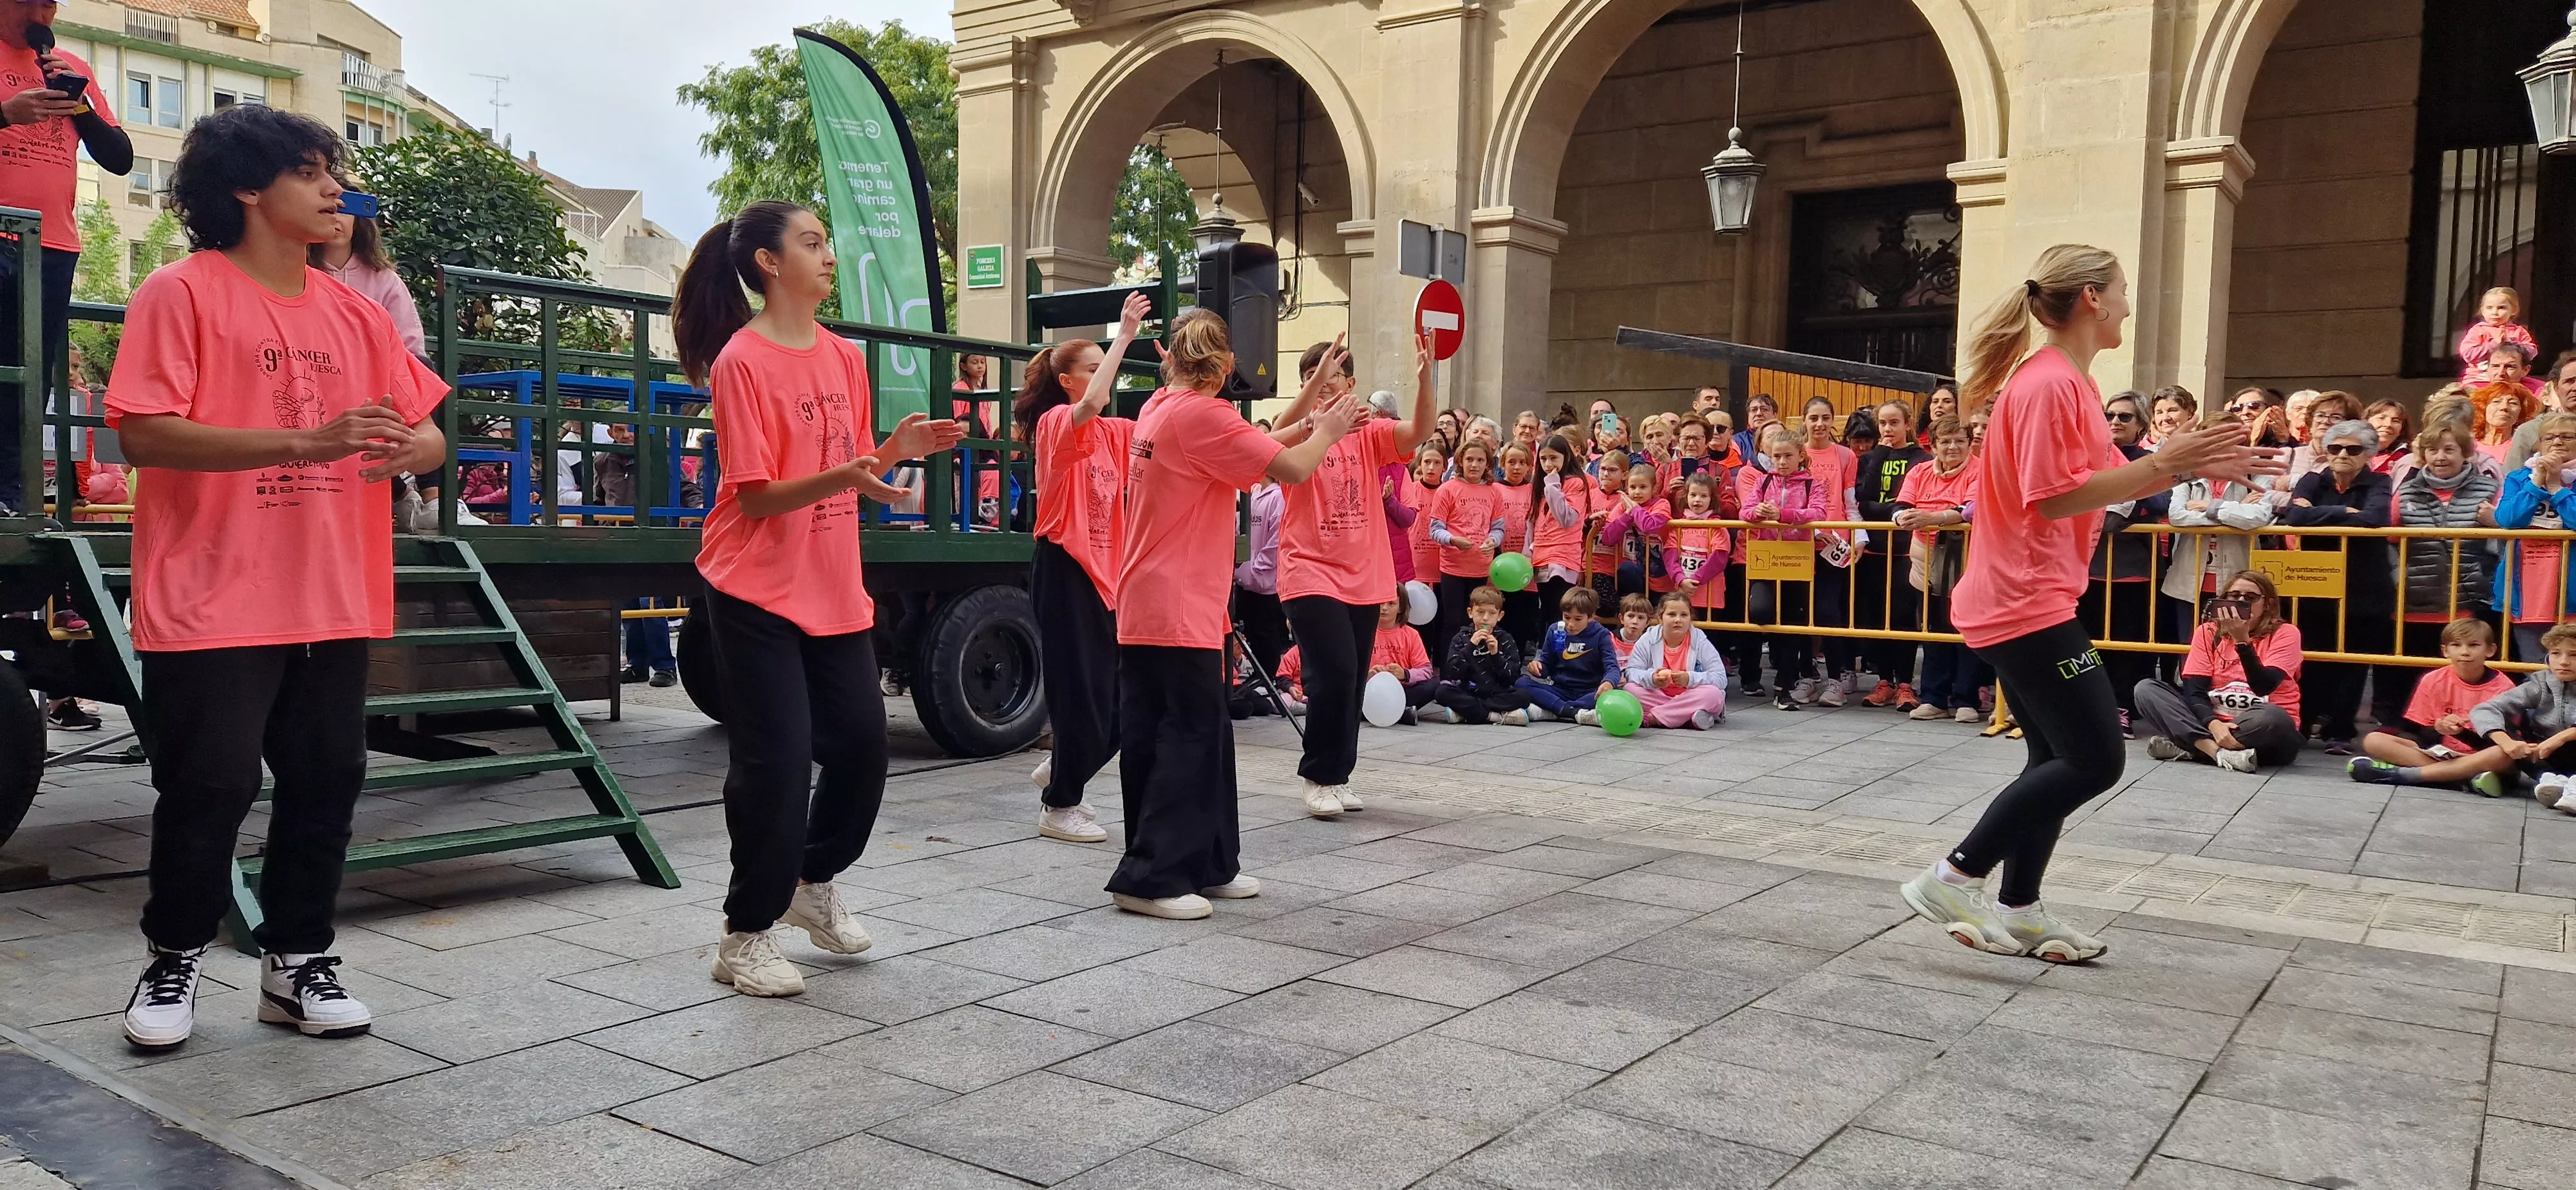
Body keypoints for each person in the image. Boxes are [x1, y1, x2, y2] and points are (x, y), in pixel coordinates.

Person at [108, 106, 446, 1049]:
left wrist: (414, 445)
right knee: (208, 784)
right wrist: (310, 439)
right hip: (214, 589)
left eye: (332, 168)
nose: (334, 187)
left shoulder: (355, 309)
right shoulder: (181, 292)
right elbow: (142, 432)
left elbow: (430, 432)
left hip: (331, 585)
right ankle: (173, 958)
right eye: (310, 170)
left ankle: (297, 964)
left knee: (326, 779)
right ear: (248, 189)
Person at [1900, 244, 2272, 966]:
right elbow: (2049, 497)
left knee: (2053, 756)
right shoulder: (2048, 385)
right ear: (2094, 301)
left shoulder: (2062, 382)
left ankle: (2021, 907)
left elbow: (2102, 482)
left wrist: (2179, 463)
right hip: (2023, 600)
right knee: (2097, 759)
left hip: (2031, 594)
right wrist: (2164, 462)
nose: (2130, 304)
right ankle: (1953, 876)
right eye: (2124, 291)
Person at [674, 201, 960, 995]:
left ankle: (808, 883)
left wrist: (892, 462)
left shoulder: (841, 357)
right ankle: (745, 935)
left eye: (826, 242)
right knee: (775, 764)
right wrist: (851, 475)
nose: (828, 255)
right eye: (812, 242)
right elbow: (759, 497)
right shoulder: (743, 360)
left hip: (832, 585)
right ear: (768, 263)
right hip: (754, 585)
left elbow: (850, 465)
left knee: (863, 750)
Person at [1112, 308, 1356, 920]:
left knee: (1202, 736)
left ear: (1172, 357)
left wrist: (1309, 401)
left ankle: (1211, 863)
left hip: (1160, 598)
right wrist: (1331, 426)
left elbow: (1259, 446)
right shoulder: (1204, 415)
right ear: (1223, 368)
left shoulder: (1162, 408)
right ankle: (1151, 877)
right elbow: (1292, 465)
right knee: (1185, 736)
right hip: (1177, 602)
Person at [1268, 331, 1432, 818]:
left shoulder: (1370, 433)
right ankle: (1317, 774)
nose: (1321, 389)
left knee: (1354, 678)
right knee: (1334, 671)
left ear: (1352, 385)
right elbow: (1272, 436)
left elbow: (1419, 430)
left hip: (1364, 573)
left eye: (1331, 380)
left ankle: (1338, 776)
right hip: (1309, 570)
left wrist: (1427, 380)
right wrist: (1316, 412)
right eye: (1312, 380)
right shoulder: (1301, 431)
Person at [1021, 292, 1151, 845]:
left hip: (1108, 577)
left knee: (1120, 703)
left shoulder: (1115, 435)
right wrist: (1124, 336)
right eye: (1094, 369)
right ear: (1069, 381)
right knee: (1082, 697)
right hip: (1066, 569)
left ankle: (1064, 769)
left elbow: (1159, 433)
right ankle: (1060, 805)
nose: (1105, 377)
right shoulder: (1056, 423)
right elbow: (1094, 405)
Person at [0, 5, 131, 515]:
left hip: (53, 245)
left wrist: (81, 107)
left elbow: (119, 158)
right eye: (27, 0)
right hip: (4, 230)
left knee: (28, 379)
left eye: (49, 3)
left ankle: (12, 497)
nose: (39, 12)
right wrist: (8, 114)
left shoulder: (70, 65)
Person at [2280, 419, 2394, 753]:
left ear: (2369, 454)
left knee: (2352, 660)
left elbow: (2375, 517)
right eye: (2335, 448)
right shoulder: (2313, 479)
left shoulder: (2379, 481)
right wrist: (2345, 510)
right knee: (2310, 656)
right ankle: (2303, 724)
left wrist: (2318, 512)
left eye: (2353, 449)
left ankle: (2340, 731)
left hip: (2364, 586)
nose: (2343, 454)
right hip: (2315, 583)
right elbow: (2293, 517)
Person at [2135, 570, 2304, 773]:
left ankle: (2194, 747)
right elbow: (2194, 691)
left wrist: (2242, 641)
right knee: (2146, 689)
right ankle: (2218, 753)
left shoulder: (2286, 633)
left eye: (2250, 598)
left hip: (2259, 726)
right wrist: (2213, 724)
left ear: (2267, 605)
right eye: (2234, 596)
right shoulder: (2208, 632)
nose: (2241, 602)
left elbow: (2264, 686)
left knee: (2273, 718)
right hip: (2214, 723)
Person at [2078, 390, 2170, 732]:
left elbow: (2163, 498)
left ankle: (2122, 707)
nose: (2114, 422)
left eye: (2124, 417)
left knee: (2129, 645)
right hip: (2087, 570)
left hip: (2134, 574)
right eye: (2109, 416)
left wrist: (2131, 506)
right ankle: (2089, 707)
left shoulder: (2147, 459)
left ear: (2142, 425)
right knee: (2087, 645)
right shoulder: (2088, 459)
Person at [2348, 618, 2519, 793]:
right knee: (2374, 740)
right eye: (2456, 645)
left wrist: (2461, 733)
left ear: (2490, 650)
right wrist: (2439, 727)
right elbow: (2421, 731)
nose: (2465, 652)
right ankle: (2459, 778)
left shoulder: (2504, 687)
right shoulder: (2432, 679)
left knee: (2502, 755)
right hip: (2443, 754)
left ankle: (2404, 775)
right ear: (2445, 651)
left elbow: (2507, 740)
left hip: (2483, 754)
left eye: (2474, 645)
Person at [1897, 415, 1984, 723]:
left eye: (1960, 440)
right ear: (1933, 446)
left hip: (1967, 559)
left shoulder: (1980, 470)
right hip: (1925, 561)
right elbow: (1902, 506)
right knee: (1932, 630)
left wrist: (1934, 518)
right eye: (1945, 441)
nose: (1953, 447)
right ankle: (1933, 697)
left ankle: (1966, 699)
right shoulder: (1919, 471)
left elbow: (1969, 511)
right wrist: (1902, 519)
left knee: (1967, 631)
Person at [1739, 426, 1828, 708]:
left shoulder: (1813, 484)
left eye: (1788, 456)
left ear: (1801, 456)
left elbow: (1818, 513)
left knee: (1793, 623)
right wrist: (1759, 513)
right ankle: (1775, 665)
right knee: (1761, 611)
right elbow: (1745, 511)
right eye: (1776, 456)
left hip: (1797, 560)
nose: (1782, 462)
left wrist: (1784, 515)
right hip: (1767, 559)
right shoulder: (1764, 483)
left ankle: (1784, 686)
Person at [1857, 400, 1930, 708]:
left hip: (1905, 551)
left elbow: (1914, 503)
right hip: (1876, 549)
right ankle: (1883, 679)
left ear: (1908, 424)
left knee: (1903, 616)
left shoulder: (1921, 459)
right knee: (1878, 615)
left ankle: (1905, 682)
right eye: (1883, 424)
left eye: (1894, 423)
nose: (1888, 429)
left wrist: (1888, 511)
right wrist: (1881, 455)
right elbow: (1864, 501)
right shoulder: (1871, 458)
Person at [2494, 411, 2576, 665]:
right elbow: (2508, 519)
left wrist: (2556, 489)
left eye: (2567, 437)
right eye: (2549, 437)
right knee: (2535, 668)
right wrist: (2537, 482)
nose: (2557, 442)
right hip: (2527, 585)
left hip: (2571, 584)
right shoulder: (2519, 478)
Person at [309, 202, 423, 361]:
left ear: (357, 221)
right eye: (327, 210)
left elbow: (411, 352)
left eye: (342, 210)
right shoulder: (293, 273)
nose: (335, 218)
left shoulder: (385, 281)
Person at [1421, 585, 1530, 725]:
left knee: (1524, 696)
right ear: (1470, 613)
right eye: (1480, 612)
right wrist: (1470, 646)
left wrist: (1496, 655)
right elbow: (1452, 673)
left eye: (1492, 613)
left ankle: (1466, 713)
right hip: (1469, 691)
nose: (1485, 618)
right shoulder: (1461, 638)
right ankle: (1493, 716)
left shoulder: (1505, 639)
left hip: (1497, 693)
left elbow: (1512, 677)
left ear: (1500, 616)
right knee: (1442, 692)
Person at [1517, 585, 1621, 723]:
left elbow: (1612, 667)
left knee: (1615, 694)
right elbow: (1546, 665)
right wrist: (1538, 667)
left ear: (1591, 617)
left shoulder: (1601, 634)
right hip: (1560, 689)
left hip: (1589, 691)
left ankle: (1554, 710)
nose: (1571, 624)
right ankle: (1572, 712)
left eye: (1578, 619)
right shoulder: (1555, 630)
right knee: (1521, 683)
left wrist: (1608, 682)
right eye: (1566, 617)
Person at [1624, 591, 1728, 728]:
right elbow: (1631, 672)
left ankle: (1655, 718)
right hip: (1660, 696)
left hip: (1691, 695)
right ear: (1661, 618)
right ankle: (1687, 716)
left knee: (1714, 695)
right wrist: (1651, 678)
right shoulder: (1648, 639)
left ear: (1691, 618)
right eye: (1672, 614)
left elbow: (1721, 678)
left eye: (1684, 615)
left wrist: (1690, 679)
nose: (1678, 620)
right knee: (1629, 689)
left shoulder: (1700, 641)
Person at [1231, 476, 1288, 678]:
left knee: (1267, 635)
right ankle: (1259, 676)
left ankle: (1270, 679)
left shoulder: (1277, 497)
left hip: (1265, 584)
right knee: (1253, 633)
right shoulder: (1252, 493)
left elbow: (1276, 538)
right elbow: (1240, 529)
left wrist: (1258, 567)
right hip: (1245, 581)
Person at [2506, 349, 2576, 473]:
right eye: (2569, 382)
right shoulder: (2530, 431)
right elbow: (2511, 482)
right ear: (2556, 388)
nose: (2575, 388)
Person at [2460, 287, 2541, 390]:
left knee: (2543, 389)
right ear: (2482, 310)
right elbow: (2468, 354)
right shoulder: (2478, 330)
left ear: (2513, 310)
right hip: (2480, 379)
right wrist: (2495, 344)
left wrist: (2509, 343)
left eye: (2501, 308)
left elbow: (2532, 352)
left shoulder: (2519, 331)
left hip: (2513, 379)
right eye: (2489, 308)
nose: (2495, 312)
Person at [2474, 382, 2530, 466]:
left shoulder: (2523, 448)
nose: (2504, 407)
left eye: (2513, 403)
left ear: (2521, 413)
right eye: (2496, 402)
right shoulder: (2466, 444)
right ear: (2482, 408)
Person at [2365, 399, 2416, 474]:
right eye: (2381, 418)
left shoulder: (2409, 460)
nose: (2388, 424)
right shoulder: (2349, 454)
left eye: (2395, 421)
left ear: (2402, 430)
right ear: (2366, 421)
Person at [1732, 393, 1779, 463]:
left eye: (1764, 409)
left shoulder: (1785, 439)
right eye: (1754, 410)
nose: (1758, 414)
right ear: (1748, 416)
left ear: (1775, 415)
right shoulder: (1736, 441)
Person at [1916, 384, 1958, 449]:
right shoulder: (1917, 442)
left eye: (1947, 402)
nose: (1939, 405)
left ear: (1957, 407)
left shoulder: (1967, 440)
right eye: (1935, 402)